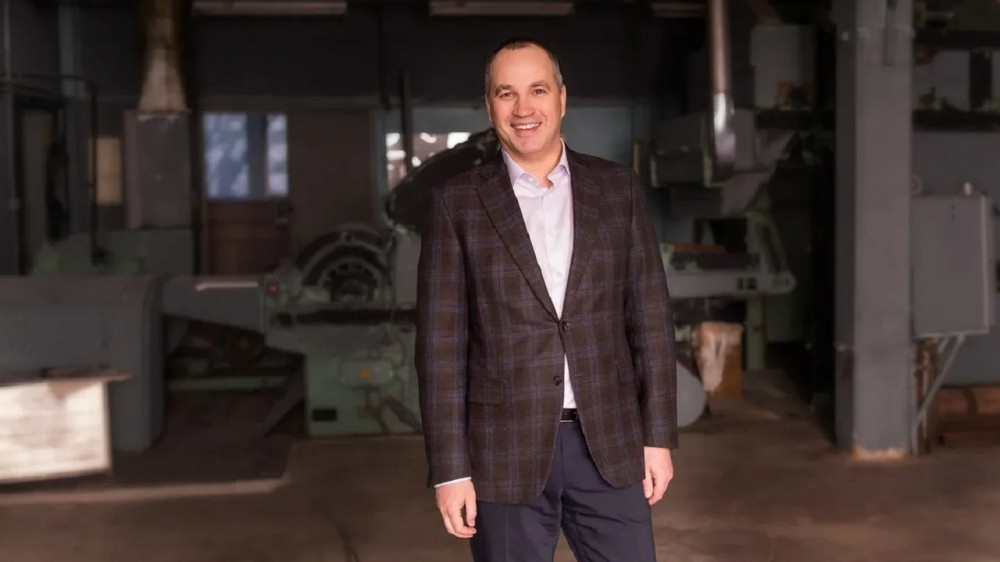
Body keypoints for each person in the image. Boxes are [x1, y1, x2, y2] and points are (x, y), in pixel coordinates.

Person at [415, 36, 678, 562]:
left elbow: (650, 320)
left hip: (610, 445)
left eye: (537, 90)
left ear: (561, 97)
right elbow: (440, 349)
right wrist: (450, 470)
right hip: (502, 454)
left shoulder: (617, 190)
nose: (523, 108)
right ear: (489, 105)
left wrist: (658, 436)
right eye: (506, 93)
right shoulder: (456, 203)